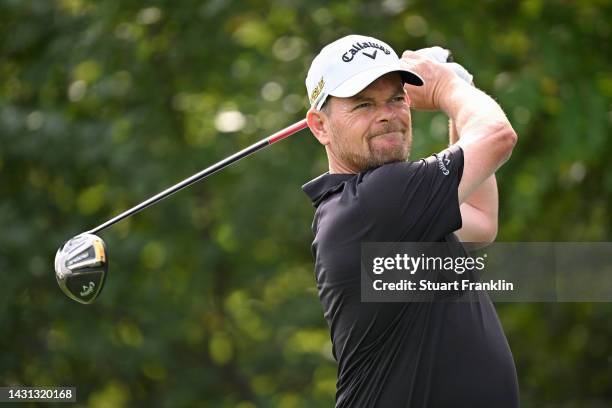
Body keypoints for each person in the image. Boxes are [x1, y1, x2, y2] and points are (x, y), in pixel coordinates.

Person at [302, 34, 519, 407]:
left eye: (396, 98)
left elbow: (481, 221)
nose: (387, 114)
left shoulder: (383, 208)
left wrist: (456, 89)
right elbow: (498, 136)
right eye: (363, 104)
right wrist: (446, 85)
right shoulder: (376, 200)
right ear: (320, 126)